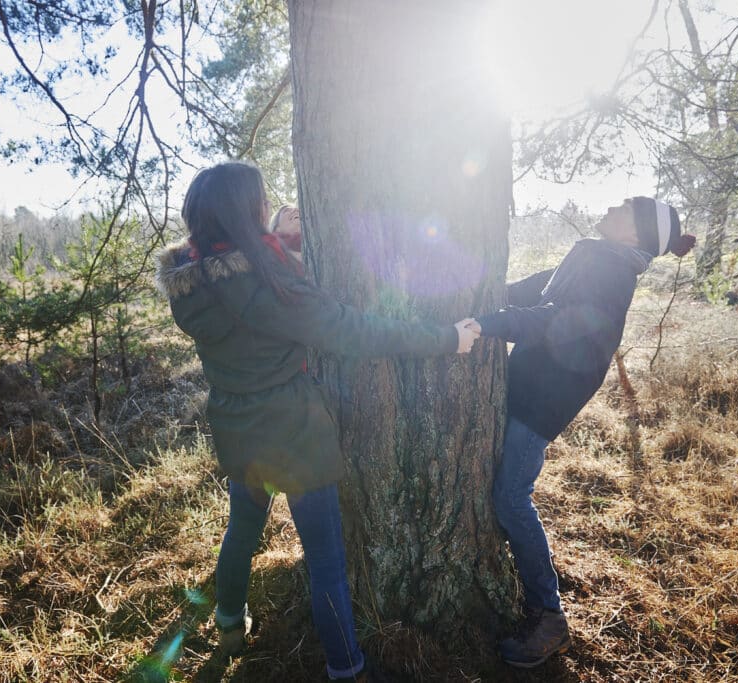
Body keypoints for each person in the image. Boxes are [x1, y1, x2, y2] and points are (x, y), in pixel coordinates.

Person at [155, 161, 478, 682]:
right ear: (247, 213)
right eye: (260, 203)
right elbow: (349, 329)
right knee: (326, 556)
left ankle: (229, 624)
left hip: (238, 426)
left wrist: (276, 245)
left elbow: (243, 298)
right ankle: (346, 669)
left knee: (242, 531)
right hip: (295, 431)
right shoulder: (268, 280)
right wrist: (446, 338)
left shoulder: (190, 282)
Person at [466, 197, 696, 668]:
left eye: (627, 207)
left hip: (544, 400)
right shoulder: (597, 255)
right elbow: (541, 288)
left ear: (633, 234)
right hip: (531, 386)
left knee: (511, 497)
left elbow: (553, 319)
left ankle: (549, 617)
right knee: (504, 492)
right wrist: (487, 296)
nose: (612, 205)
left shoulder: (612, 274)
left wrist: (486, 324)